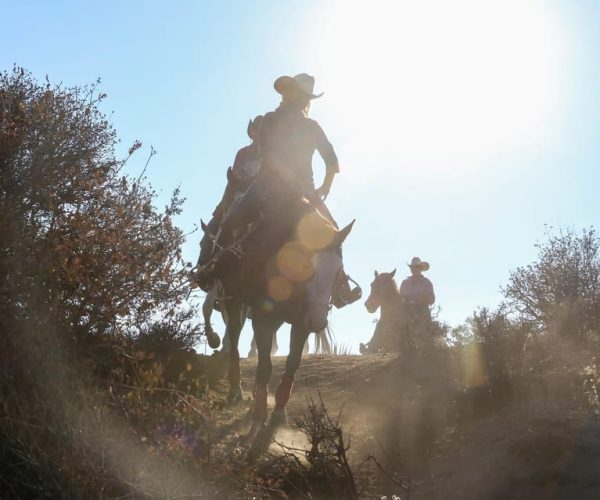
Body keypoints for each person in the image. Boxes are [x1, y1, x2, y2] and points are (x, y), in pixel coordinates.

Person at [399, 257, 435, 347]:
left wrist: (416, 300)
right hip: (405, 310)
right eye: (412, 267)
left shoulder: (426, 282)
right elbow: (400, 297)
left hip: (421, 311)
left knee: (420, 328)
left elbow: (432, 299)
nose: (413, 269)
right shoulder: (405, 282)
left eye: (416, 267)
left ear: (420, 269)